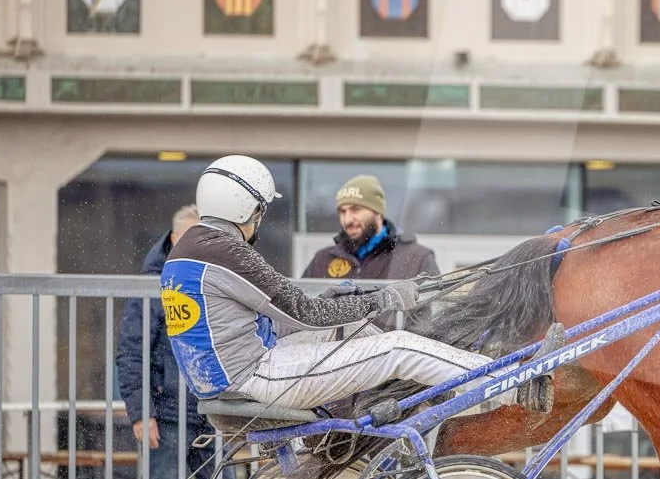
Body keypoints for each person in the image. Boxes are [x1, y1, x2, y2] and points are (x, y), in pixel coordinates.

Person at [161, 155, 548, 413]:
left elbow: (256, 320)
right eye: (260, 211)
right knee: (397, 345)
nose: (259, 221)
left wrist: (345, 297)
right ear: (244, 206)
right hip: (253, 377)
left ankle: (444, 384)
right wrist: (383, 298)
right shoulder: (226, 251)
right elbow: (306, 313)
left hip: (227, 378)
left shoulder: (188, 251)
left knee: (356, 330)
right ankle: (514, 384)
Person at [117, 204, 239, 479]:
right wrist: (142, 412)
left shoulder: (214, 282)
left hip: (210, 412)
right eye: (190, 238)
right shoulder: (150, 286)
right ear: (173, 238)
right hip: (168, 414)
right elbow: (131, 351)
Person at [302, 174, 439, 281]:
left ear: (377, 212)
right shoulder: (322, 260)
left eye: (356, 209)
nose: (348, 219)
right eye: (342, 211)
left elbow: (434, 313)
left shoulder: (416, 258)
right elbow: (298, 310)